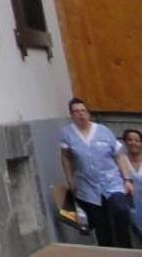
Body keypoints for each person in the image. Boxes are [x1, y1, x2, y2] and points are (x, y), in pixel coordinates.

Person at [61, 97, 135, 247]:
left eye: (83, 111)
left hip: (111, 181)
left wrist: (127, 179)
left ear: (88, 113)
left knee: (120, 210)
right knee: (101, 225)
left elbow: (119, 155)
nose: (81, 114)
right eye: (76, 111)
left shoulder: (103, 131)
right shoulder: (67, 133)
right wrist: (70, 178)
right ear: (71, 115)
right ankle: (107, 251)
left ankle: (125, 248)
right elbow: (65, 157)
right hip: (87, 185)